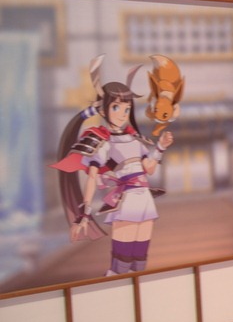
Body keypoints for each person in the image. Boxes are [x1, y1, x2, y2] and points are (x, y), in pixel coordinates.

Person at [51, 56, 173, 276]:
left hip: (144, 200)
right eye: (116, 107)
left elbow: (149, 168)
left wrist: (161, 147)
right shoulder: (102, 142)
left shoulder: (135, 139)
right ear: (104, 110)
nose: (122, 114)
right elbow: (92, 177)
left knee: (140, 261)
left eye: (126, 109)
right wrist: (84, 214)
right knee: (121, 263)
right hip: (125, 202)